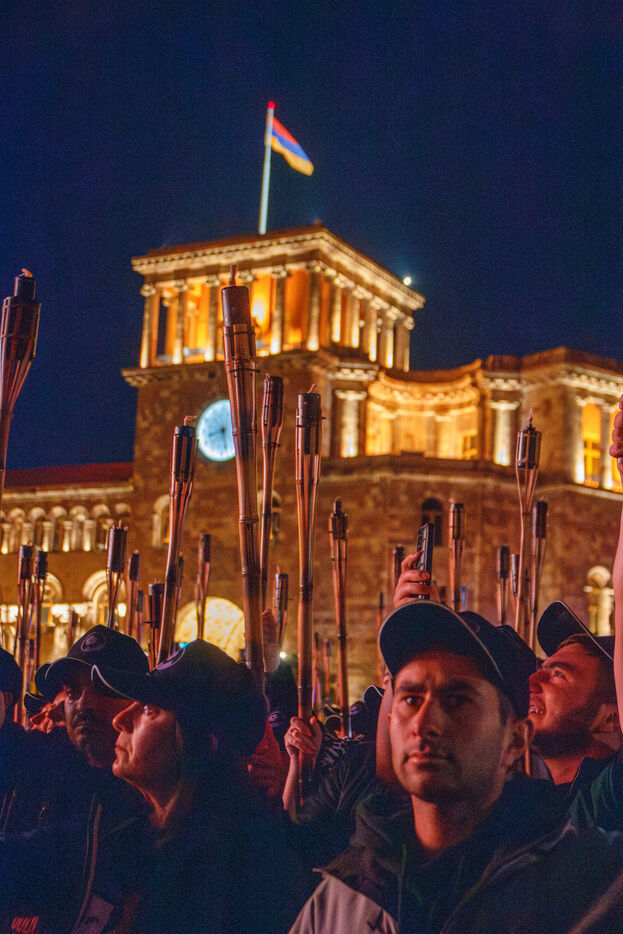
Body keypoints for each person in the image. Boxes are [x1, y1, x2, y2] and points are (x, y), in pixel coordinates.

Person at [290, 601, 623, 933]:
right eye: (411, 698)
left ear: (515, 738)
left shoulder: (582, 889)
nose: (424, 722)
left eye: (457, 700)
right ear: (391, 724)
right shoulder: (341, 898)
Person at [85, 638, 312, 933]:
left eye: (149, 709)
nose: (120, 719)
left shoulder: (244, 869)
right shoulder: (132, 839)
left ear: (201, 743)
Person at [0, 626, 150, 934]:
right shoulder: (38, 761)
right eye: (72, 690)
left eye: (102, 687)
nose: (83, 703)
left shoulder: (144, 797)